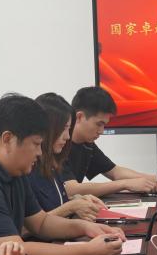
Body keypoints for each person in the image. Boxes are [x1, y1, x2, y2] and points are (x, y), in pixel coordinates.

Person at [0, 93, 124, 255]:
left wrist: (86, 227)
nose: (40, 152)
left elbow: (41, 223)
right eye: (36, 144)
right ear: (8, 139)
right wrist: (87, 251)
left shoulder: (13, 167)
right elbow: (14, 251)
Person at [61, 86, 157, 197]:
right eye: (99, 124)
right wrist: (125, 184)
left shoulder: (87, 144)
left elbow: (115, 172)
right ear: (79, 117)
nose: (101, 131)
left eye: (104, 125)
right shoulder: (59, 145)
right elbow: (71, 189)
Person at [29, 92, 107, 220]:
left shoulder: (52, 164)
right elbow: (29, 225)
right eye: (63, 128)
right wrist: (71, 207)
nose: (67, 136)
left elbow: (56, 203)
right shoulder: (26, 168)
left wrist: (78, 199)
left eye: (69, 129)